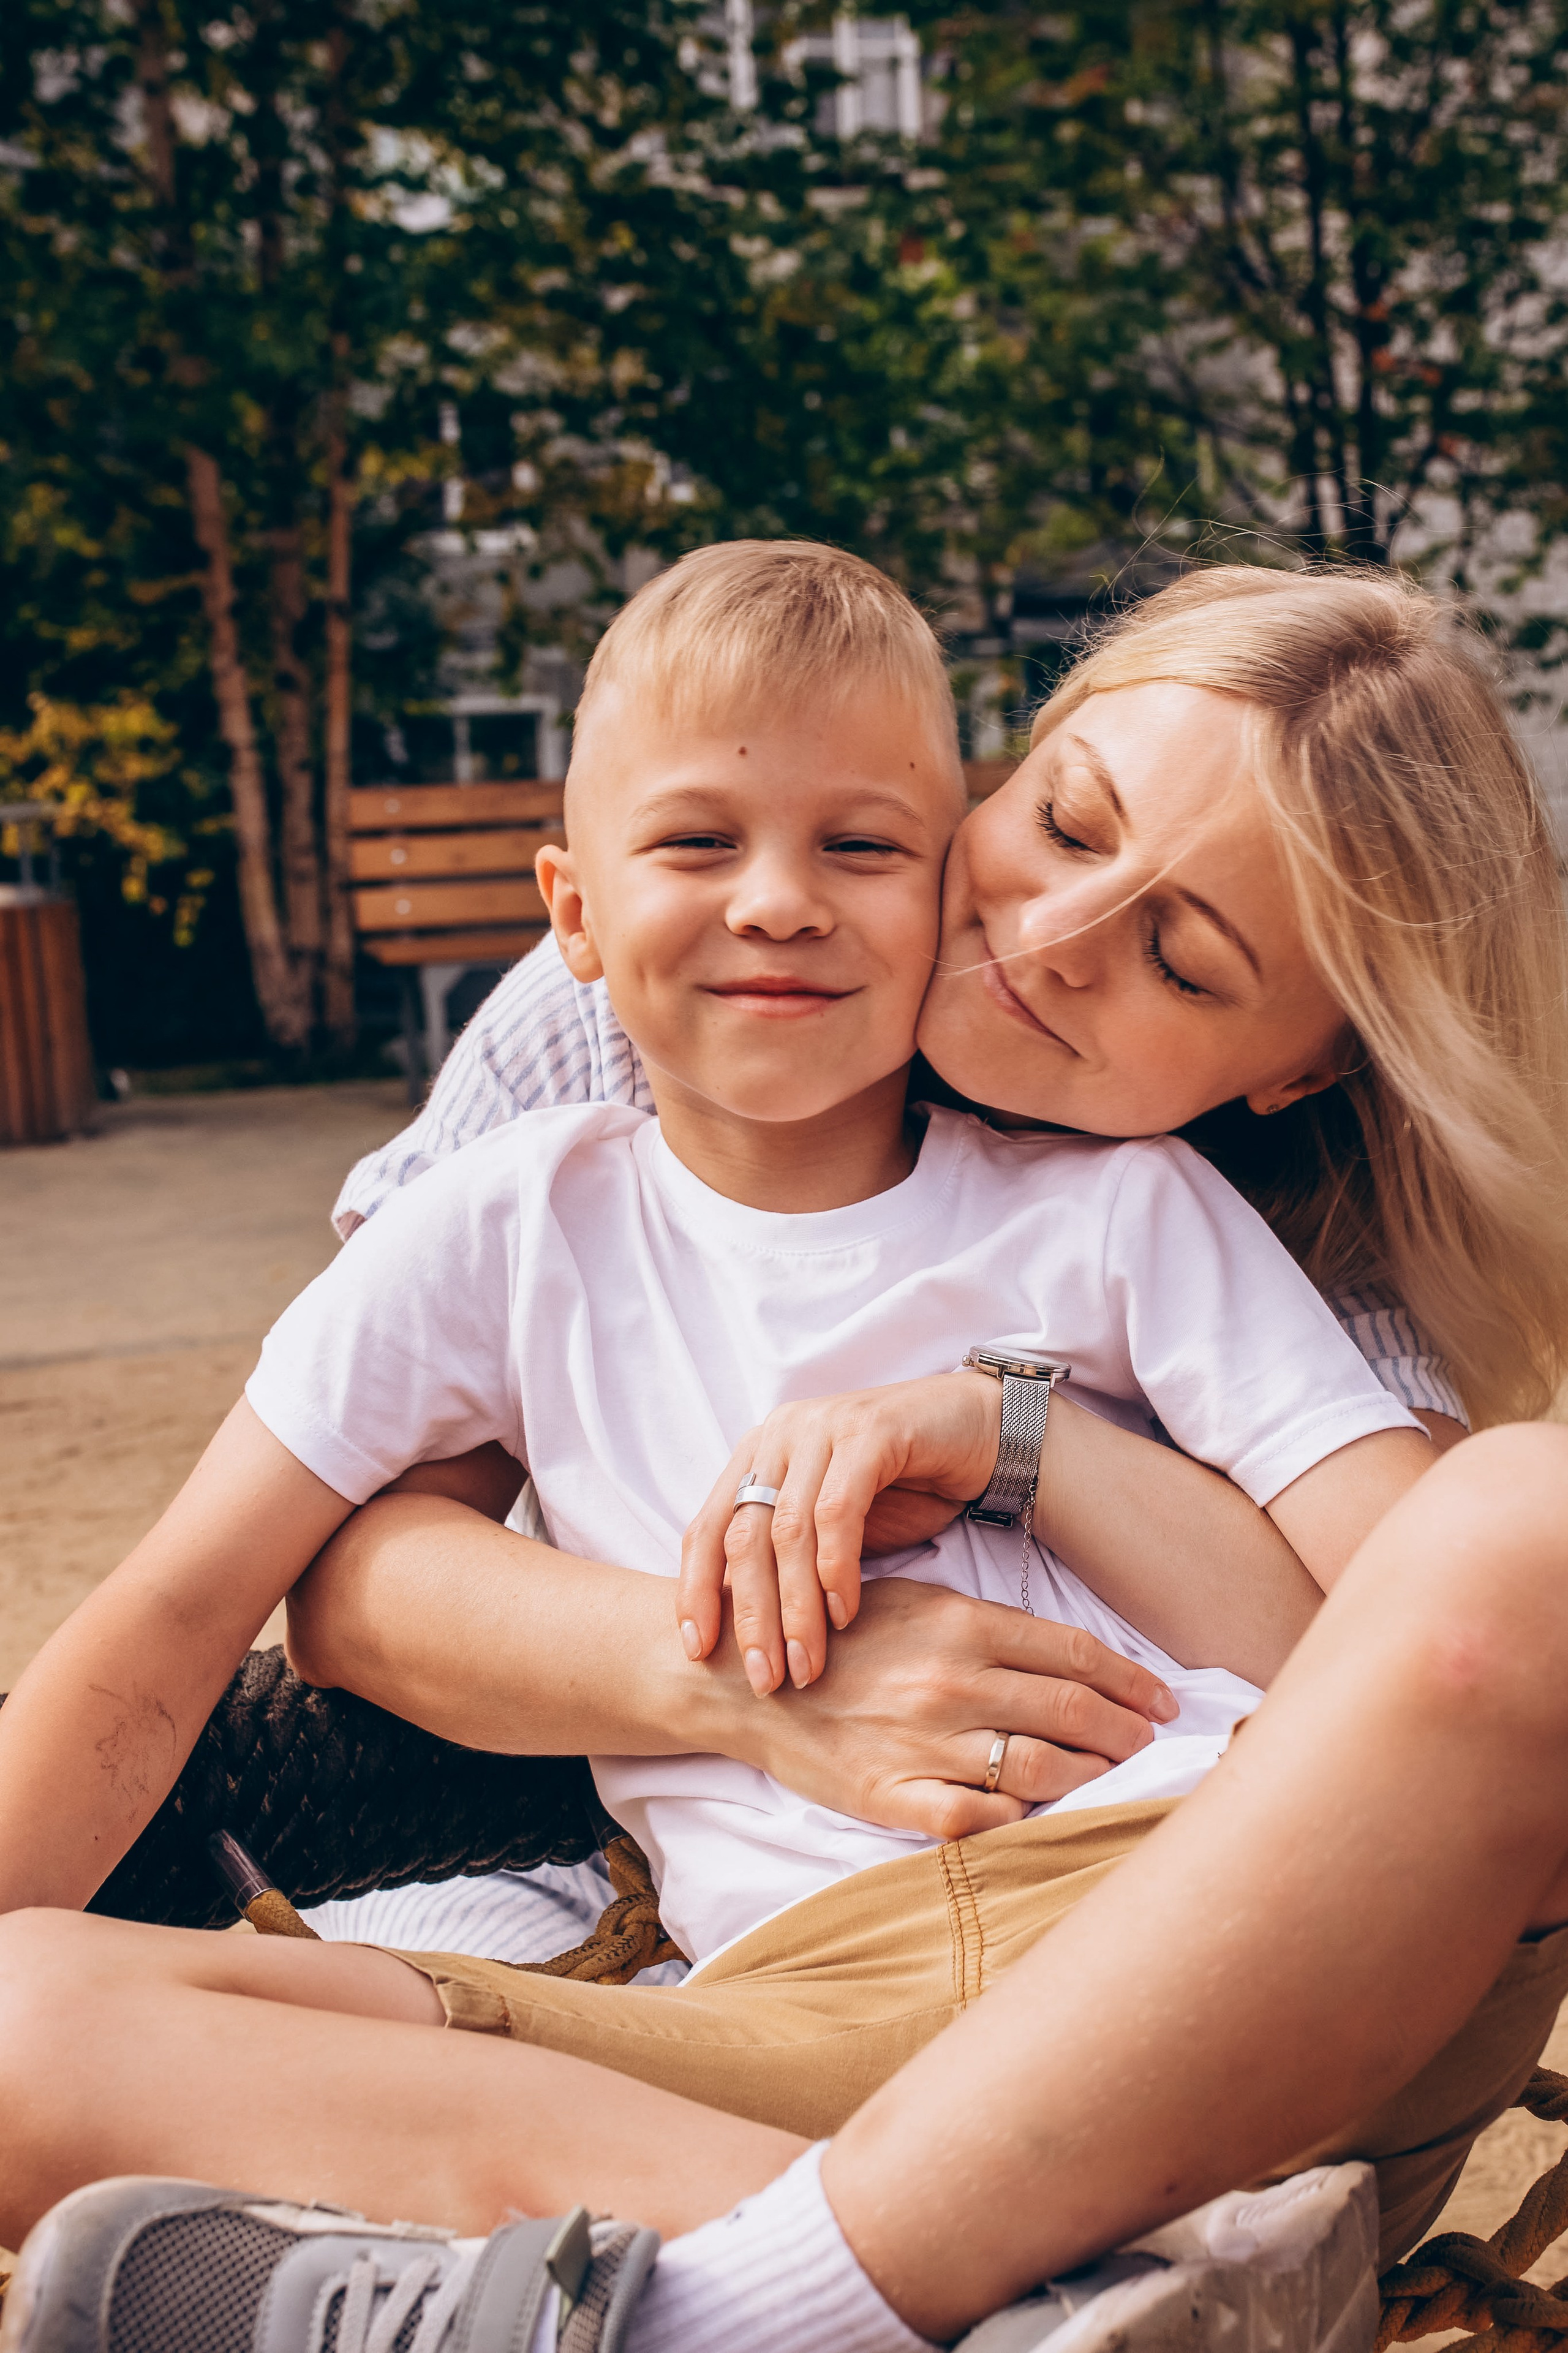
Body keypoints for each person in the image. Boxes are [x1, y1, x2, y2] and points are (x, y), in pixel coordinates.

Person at [3, 551, 1568, 2353]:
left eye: (1184, 959)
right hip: (803, 2006)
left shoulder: (1136, 1213)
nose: (1048, 939)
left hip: (1198, 1922)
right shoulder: (539, 1181)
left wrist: (1015, 1434)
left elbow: (1450, 1641)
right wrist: (748, 1684)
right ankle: (1074, 2292)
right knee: (23, 2021)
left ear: (1296, 1068)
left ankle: (745, 2306)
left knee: (1526, 1507)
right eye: (1058, 822)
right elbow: (246, 1599)